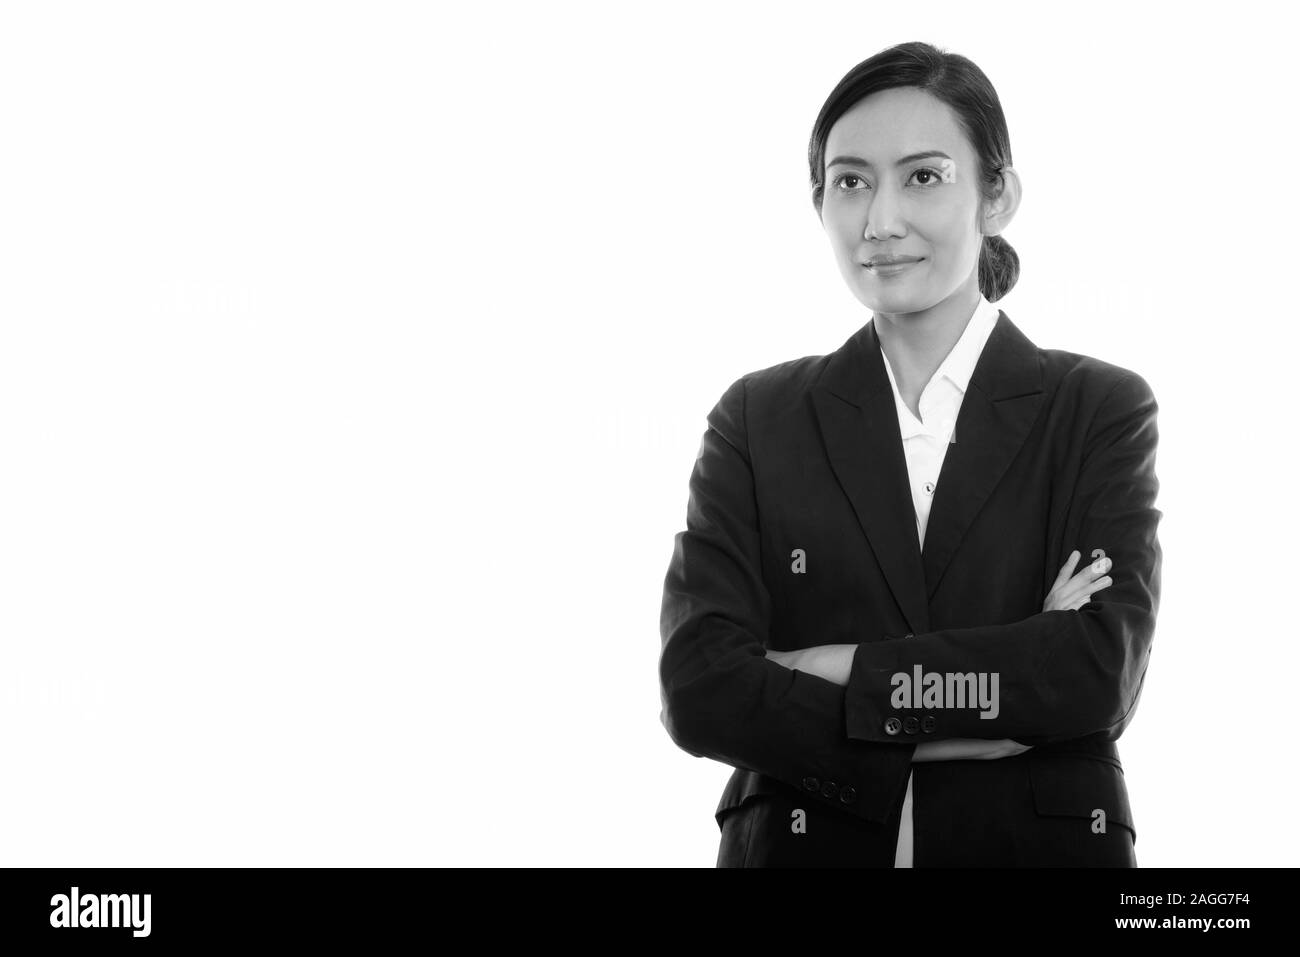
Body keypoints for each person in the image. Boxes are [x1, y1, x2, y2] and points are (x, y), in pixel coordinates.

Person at [658, 40, 1162, 867]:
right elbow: (701, 689)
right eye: (851, 181)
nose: (880, 220)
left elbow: (1092, 673)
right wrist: (979, 711)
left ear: (996, 195)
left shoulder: (1096, 409)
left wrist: (828, 666)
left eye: (923, 176)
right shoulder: (757, 417)